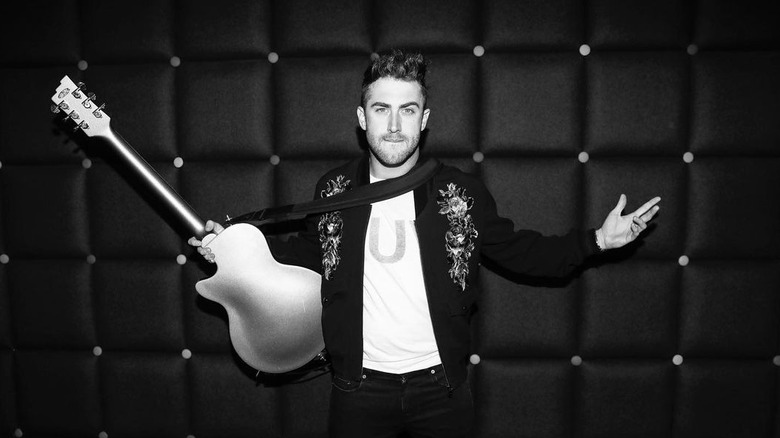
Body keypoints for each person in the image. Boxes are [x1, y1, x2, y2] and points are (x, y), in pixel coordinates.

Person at [188, 49, 661, 438]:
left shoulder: (460, 193)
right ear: (362, 117)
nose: (394, 125)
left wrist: (598, 240)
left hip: (442, 389)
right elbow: (305, 260)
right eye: (381, 108)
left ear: (424, 119)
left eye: (407, 110)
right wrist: (232, 249)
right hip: (357, 387)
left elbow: (526, 253)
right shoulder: (333, 190)